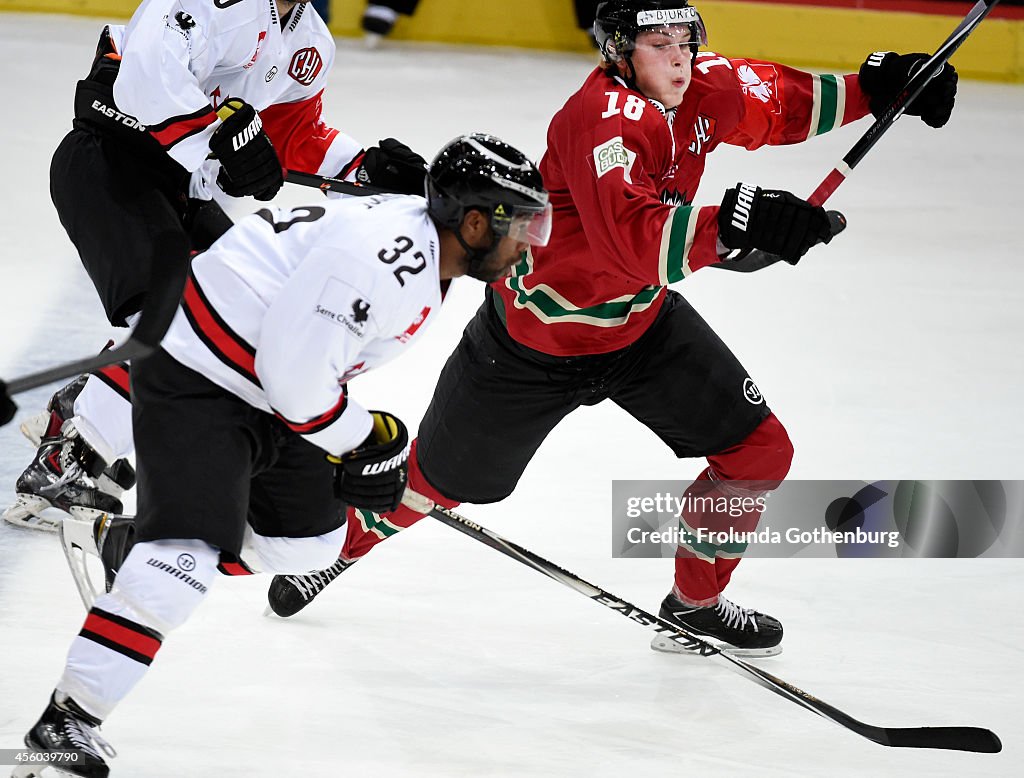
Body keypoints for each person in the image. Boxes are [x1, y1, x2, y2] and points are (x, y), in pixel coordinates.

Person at [267, 0, 959, 656]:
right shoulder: (601, 119)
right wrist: (740, 222)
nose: (681, 59)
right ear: (621, 54)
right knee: (431, 482)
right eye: (661, 46)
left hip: (640, 328)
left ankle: (693, 604)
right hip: (534, 342)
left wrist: (887, 86)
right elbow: (635, 239)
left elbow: (781, 102)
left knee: (758, 452)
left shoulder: (700, 85)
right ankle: (328, 553)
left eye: (686, 40)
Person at [15, 134, 552, 777]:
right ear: (471, 222)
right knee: (180, 566)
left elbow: (299, 375)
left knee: (309, 546)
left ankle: (127, 548)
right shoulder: (390, 264)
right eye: (521, 225)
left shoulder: (428, 252)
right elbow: (297, 386)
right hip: (199, 375)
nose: (531, 242)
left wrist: (365, 441)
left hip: (261, 384)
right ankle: (69, 718)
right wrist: (364, 441)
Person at [3, 0, 428, 532]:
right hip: (109, 165)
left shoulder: (311, 42)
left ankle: (86, 407)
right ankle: (66, 462)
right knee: (178, 322)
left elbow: (290, 133)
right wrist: (217, 144)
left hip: (183, 190)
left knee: (237, 319)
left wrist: (362, 166)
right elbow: (145, 80)